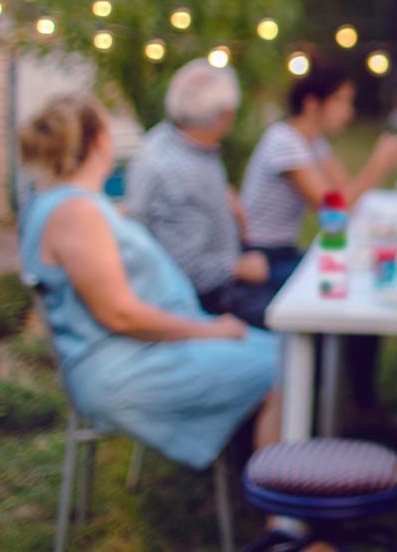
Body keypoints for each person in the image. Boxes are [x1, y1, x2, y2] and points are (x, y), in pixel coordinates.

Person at [17, 93, 281, 472]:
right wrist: (207, 330)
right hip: (124, 368)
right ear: (99, 141)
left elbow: (107, 230)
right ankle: (287, 516)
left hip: (138, 353)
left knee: (283, 349)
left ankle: (275, 483)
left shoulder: (62, 202)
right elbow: (120, 315)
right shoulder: (77, 213)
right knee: (287, 366)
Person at [237, 61, 397, 419]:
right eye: (342, 101)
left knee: (363, 290)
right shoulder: (283, 143)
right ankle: (346, 406)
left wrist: (372, 171)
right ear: (313, 104)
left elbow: (344, 194)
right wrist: (379, 164)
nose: (348, 113)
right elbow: (334, 209)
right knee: (354, 293)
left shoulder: (311, 141)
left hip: (283, 252)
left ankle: (355, 402)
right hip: (262, 258)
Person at [124, 58, 268, 314]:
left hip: (205, 287)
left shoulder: (165, 138)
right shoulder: (183, 172)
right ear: (226, 115)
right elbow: (184, 270)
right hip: (203, 305)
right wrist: (239, 266)